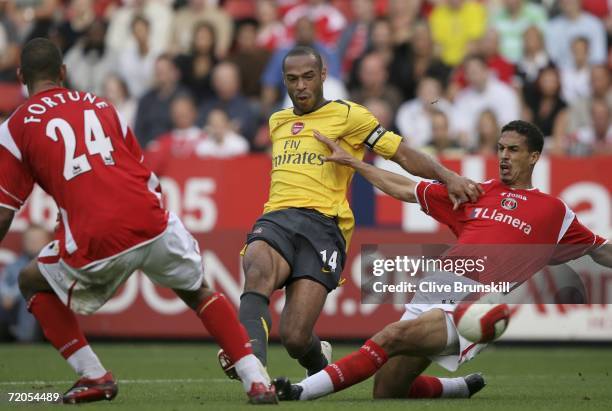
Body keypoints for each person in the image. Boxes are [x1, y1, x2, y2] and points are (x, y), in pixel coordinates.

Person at [0, 38, 275, 404]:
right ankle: (256, 380)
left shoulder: (16, 125)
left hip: (97, 233)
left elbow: (5, 211)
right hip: (151, 216)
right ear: (63, 72)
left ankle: (94, 375)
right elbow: (136, 162)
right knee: (199, 291)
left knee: (30, 280)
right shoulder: (101, 104)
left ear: (21, 76)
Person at [272, 120, 611, 401]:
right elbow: (407, 188)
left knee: (389, 336)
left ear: (534, 156)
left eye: (514, 150)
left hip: (474, 306)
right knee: (387, 391)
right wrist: (354, 164)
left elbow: (599, 250)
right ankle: (456, 388)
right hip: (433, 291)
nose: (504, 156)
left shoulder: (554, 212)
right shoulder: (475, 191)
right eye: (501, 148)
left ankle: (300, 392)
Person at [217, 45, 482, 381]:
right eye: (293, 79)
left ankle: (318, 361)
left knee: (296, 337)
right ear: (284, 81)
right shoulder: (277, 120)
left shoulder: (349, 116)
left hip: (324, 227)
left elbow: (399, 153)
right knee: (256, 269)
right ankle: (251, 365)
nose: (301, 85)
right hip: (277, 218)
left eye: (308, 77)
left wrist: (449, 176)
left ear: (323, 76)